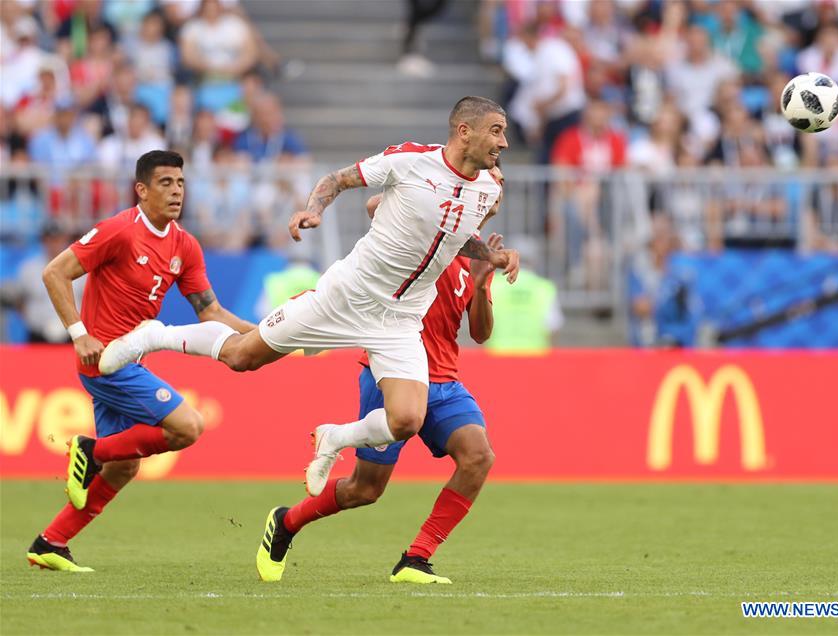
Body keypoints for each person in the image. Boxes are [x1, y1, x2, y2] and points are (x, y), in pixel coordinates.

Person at [96, 95, 519, 567]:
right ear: (464, 131)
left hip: (399, 320)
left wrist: (492, 257)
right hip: (345, 296)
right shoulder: (411, 161)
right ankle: (155, 335)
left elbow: (459, 236)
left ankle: (335, 438)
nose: (503, 142)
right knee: (242, 356)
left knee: (407, 420)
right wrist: (313, 210)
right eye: (496, 131)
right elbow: (338, 181)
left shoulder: (489, 188)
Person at [256, 166, 504, 584]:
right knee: (365, 489)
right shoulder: (433, 221)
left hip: (442, 379)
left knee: (479, 457)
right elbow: (376, 204)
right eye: (488, 173)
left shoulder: (475, 257)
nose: (494, 181)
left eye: (499, 180)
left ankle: (417, 558)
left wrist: (481, 287)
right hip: (391, 374)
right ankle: (286, 522)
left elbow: (479, 333)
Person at [25, 150, 254, 572]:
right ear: (142, 190)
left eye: (181, 183)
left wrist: (263, 335)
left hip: (132, 362)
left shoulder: (184, 244)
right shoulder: (119, 231)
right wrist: (79, 335)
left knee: (125, 465)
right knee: (188, 426)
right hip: (104, 361)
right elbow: (54, 272)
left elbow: (211, 313)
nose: (176, 191)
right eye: (165, 183)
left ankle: (50, 542)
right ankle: (90, 451)